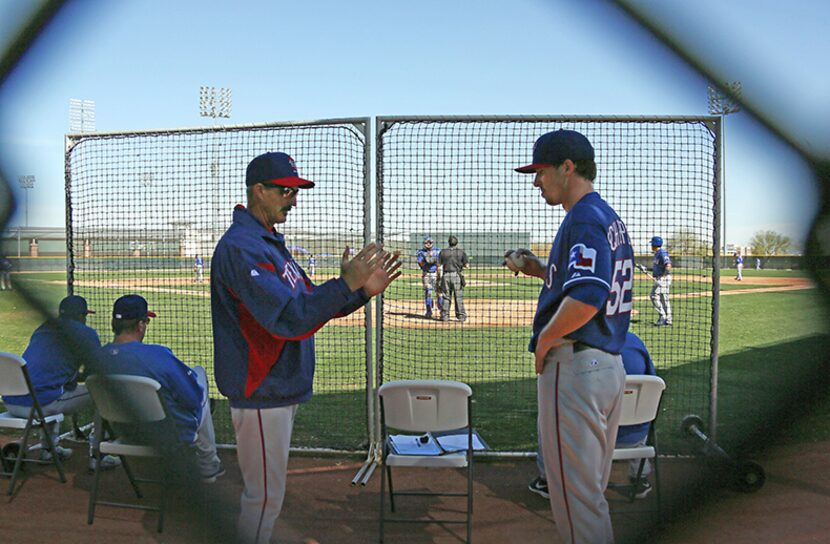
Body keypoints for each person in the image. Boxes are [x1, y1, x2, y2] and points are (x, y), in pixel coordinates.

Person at [210, 151, 401, 544]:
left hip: (278, 386)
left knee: (267, 497)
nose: (293, 199)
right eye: (284, 190)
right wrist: (345, 284)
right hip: (261, 388)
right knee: (262, 499)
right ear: (257, 190)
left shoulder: (268, 243)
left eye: (296, 191)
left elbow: (310, 301)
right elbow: (290, 318)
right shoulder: (243, 247)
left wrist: (360, 292)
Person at [506, 129, 632, 544]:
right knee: (589, 495)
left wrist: (545, 340)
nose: (535, 180)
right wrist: (541, 270)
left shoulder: (582, 216)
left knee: (576, 504)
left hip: (575, 365)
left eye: (541, 171)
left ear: (567, 167)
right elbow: (584, 280)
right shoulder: (605, 215)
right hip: (606, 365)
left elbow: (589, 294)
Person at [96, 294, 224, 482]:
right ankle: (208, 464)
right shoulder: (158, 355)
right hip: (168, 434)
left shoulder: (97, 358)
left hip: (124, 433)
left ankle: (94, 452)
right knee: (199, 379)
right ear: (140, 325)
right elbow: (192, 399)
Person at [529, 332, 658, 501]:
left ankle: (547, 480)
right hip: (633, 440)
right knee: (640, 409)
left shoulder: (576, 350)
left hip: (588, 440)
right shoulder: (635, 343)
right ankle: (639, 477)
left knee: (548, 415)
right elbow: (653, 380)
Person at [2, 295, 119, 471]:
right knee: (103, 391)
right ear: (81, 316)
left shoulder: (43, 328)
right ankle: (98, 455)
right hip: (38, 405)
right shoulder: (86, 333)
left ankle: (49, 450)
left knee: (55, 389)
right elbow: (94, 374)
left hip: (10, 402)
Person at [438, 235, 469, 322]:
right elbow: (467, 266)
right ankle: (461, 316)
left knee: (446, 296)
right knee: (458, 296)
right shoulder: (461, 252)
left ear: (449, 242)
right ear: (457, 242)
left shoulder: (443, 252)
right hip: (456, 275)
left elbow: (438, 265)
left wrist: (438, 278)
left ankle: (444, 316)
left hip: (446, 275)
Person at [416, 236, 442, 319]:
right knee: (428, 293)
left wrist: (434, 259)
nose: (428, 244)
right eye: (426, 242)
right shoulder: (421, 252)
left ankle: (442, 311)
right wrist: (426, 259)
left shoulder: (437, 251)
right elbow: (420, 264)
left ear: (432, 243)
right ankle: (429, 311)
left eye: (429, 242)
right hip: (426, 274)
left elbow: (440, 264)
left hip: (436, 273)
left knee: (439, 293)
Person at [649, 236, 673, 326]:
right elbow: (658, 267)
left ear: (654, 244)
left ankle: (663, 317)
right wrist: (646, 268)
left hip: (664, 278)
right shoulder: (657, 254)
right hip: (661, 277)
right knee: (663, 298)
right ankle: (668, 319)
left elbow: (668, 265)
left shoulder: (662, 253)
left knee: (654, 296)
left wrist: (663, 276)